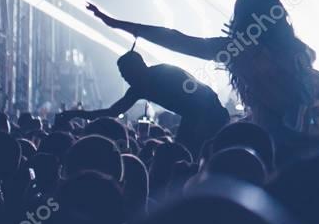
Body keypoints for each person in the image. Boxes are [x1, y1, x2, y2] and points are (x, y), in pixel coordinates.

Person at [87, 0, 319, 158]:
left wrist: (120, 24)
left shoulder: (241, 50)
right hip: (314, 147)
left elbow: (180, 41)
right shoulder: (300, 53)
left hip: (273, 146)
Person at [57, 49, 229, 155]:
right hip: (196, 116)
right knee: (186, 152)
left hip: (210, 112)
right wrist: (75, 113)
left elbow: (200, 96)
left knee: (191, 152)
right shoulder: (138, 89)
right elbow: (112, 112)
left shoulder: (167, 73)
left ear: (138, 67)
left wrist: (197, 127)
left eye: (125, 72)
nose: (124, 77)